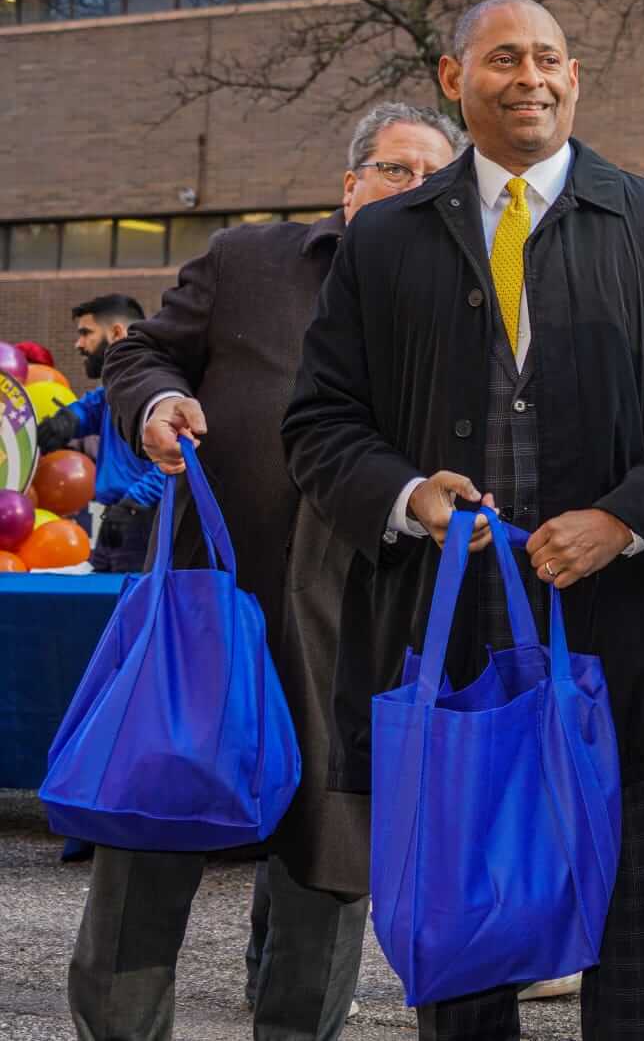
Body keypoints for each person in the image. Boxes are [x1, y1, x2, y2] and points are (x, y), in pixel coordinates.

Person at [283, 0, 644, 1041]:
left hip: (621, 645)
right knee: (463, 948)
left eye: (548, 58)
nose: (529, 78)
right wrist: (408, 496)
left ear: (576, 78)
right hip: (443, 643)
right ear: (455, 81)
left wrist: (624, 520)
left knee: (634, 949)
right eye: (503, 59)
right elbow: (319, 421)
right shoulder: (384, 244)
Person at [81, 102, 460, 1041]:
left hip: (362, 617)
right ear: (350, 185)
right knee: (152, 829)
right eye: (393, 169)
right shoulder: (251, 261)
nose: (413, 188)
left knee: (329, 861)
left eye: (433, 177)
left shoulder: (467, 305)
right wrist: (159, 399)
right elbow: (142, 351)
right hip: (218, 599)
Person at [38, 294, 166, 571]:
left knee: (130, 610)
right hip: (119, 521)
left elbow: (176, 456)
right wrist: (65, 420)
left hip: (144, 522)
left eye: (86, 333)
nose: (79, 344)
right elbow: (91, 407)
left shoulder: (153, 383)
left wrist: (134, 503)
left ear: (117, 332)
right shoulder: (115, 388)